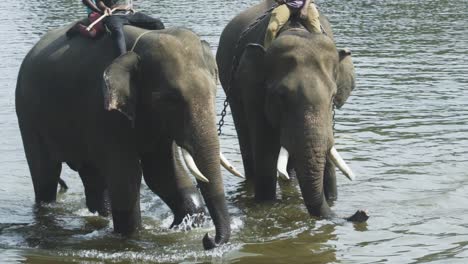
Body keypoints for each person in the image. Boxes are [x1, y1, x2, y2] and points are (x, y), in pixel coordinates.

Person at [96, 0, 165, 55]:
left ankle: (158, 50)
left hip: (130, 13)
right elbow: (99, 1)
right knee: (117, 32)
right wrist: (105, 8)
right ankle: (121, 59)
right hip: (114, 15)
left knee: (157, 24)